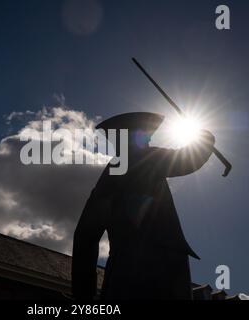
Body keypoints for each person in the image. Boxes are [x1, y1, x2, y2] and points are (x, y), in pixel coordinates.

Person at [71, 112, 215, 300]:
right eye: (146, 134)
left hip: (127, 268)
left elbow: (85, 236)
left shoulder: (112, 172)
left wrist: (84, 297)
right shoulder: (142, 158)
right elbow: (186, 159)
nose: (148, 140)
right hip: (157, 267)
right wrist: (205, 139)